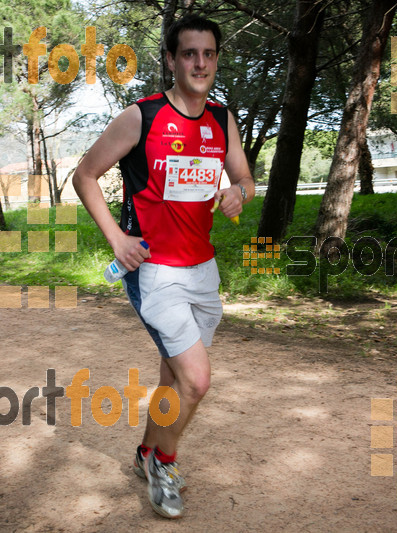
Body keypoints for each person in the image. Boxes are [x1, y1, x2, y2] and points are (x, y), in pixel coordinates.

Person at [72, 14, 254, 519]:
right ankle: (164, 464)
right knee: (196, 380)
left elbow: (244, 179)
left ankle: (144, 454)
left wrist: (238, 193)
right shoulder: (141, 116)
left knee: (174, 380)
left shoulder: (222, 118)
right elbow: (84, 174)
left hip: (204, 271)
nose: (200, 63)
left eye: (209, 54)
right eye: (189, 54)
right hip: (155, 272)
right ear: (172, 60)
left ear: (216, 60)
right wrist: (117, 238)